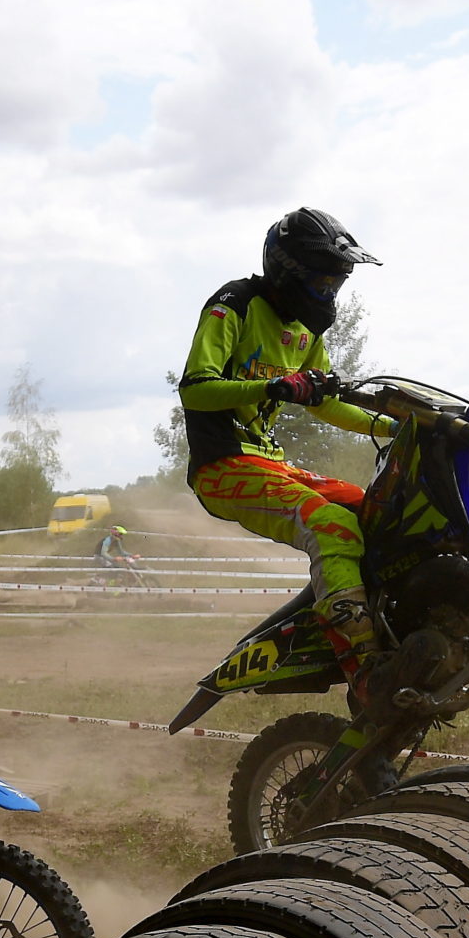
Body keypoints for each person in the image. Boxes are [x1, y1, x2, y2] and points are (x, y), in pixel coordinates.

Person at [177, 207, 396, 689]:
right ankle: (365, 664)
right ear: (290, 271)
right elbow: (194, 388)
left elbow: (326, 403)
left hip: (272, 464)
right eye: (324, 283)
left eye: (337, 285)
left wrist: (392, 427)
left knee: (373, 509)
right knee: (333, 527)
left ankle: (365, 623)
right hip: (223, 466)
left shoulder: (306, 328)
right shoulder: (235, 303)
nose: (330, 294)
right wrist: (273, 386)